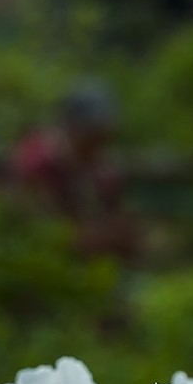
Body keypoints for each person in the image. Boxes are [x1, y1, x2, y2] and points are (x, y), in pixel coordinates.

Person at [14, 83, 139, 259]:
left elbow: (121, 222)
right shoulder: (40, 162)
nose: (97, 146)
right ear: (71, 129)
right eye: (92, 137)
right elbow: (39, 229)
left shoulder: (104, 170)